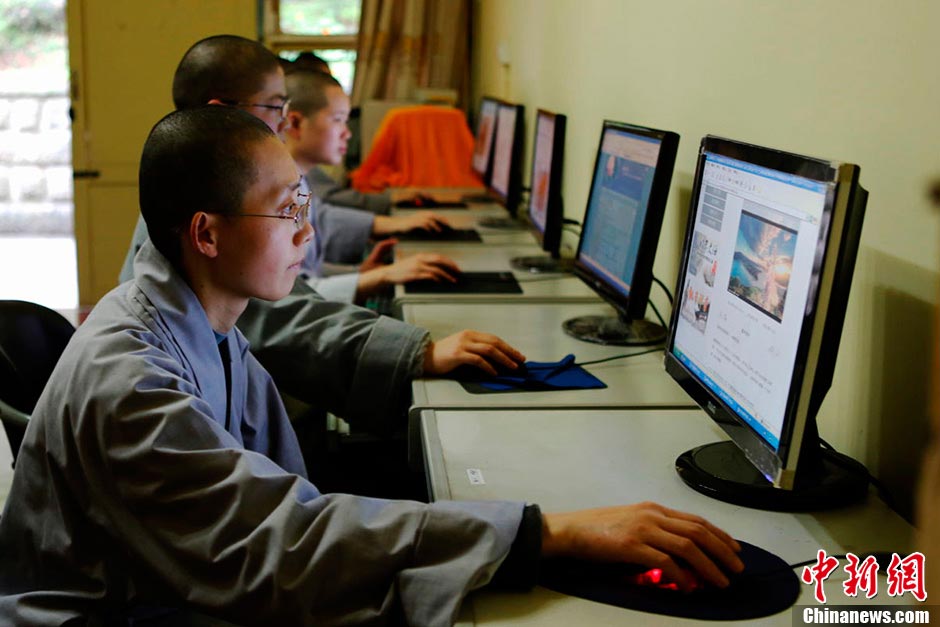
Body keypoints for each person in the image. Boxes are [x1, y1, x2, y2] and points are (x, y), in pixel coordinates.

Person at [0, 107, 743, 624]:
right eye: (287, 208)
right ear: (207, 233)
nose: (306, 229)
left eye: (304, 200)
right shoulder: (133, 377)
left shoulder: (201, 319)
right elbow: (284, 545)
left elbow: (288, 510)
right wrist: (544, 533)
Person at [118, 35, 525, 428]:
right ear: (223, 109)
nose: (284, 122)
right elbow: (274, 321)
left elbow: (291, 284)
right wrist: (420, 352)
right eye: (276, 107)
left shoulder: (213, 187)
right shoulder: (207, 208)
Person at [283, 68, 461, 303]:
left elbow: (302, 275)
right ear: (295, 122)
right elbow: (283, 297)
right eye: (337, 120)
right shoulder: (272, 190)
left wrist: (361, 274)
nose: (347, 133)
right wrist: (380, 275)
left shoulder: (300, 179)